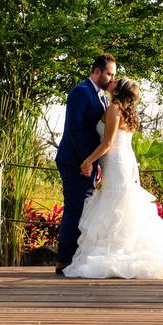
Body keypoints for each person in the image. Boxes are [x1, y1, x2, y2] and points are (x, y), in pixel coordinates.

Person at [62, 78, 163, 279]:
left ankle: (118, 253)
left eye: (116, 80)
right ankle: (121, 249)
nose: (112, 80)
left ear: (118, 90)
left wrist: (88, 161)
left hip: (116, 162)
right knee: (120, 205)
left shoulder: (113, 110)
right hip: (122, 162)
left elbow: (108, 143)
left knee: (117, 205)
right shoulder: (124, 110)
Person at [54, 54, 117, 275]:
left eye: (114, 74)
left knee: (84, 210)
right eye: (109, 73)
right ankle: (63, 260)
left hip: (88, 161)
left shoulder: (102, 97)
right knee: (74, 209)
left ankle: (75, 258)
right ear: (97, 71)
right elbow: (75, 130)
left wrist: (96, 163)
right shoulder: (80, 92)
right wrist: (85, 162)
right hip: (73, 161)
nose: (111, 78)